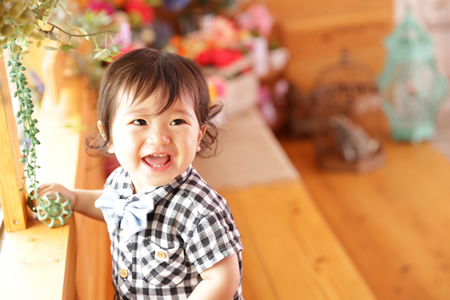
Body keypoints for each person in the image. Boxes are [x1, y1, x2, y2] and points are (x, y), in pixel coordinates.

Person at [38, 48, 243, 299]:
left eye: (177, 122)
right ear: (108, 136)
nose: (159, 138)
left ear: (199, 135)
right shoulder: (121, 180)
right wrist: (75, 199)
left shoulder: (200, 211)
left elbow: (223, 279)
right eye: (140, 122)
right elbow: (112, 207)